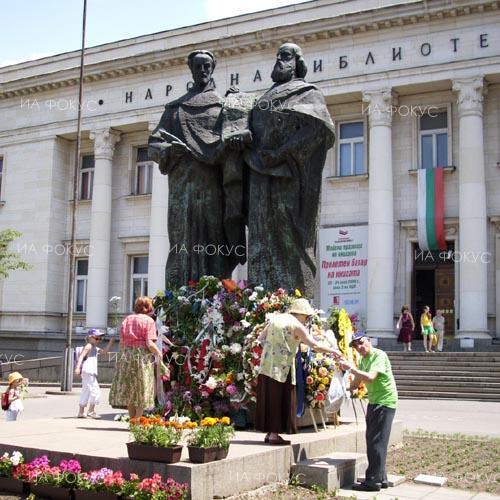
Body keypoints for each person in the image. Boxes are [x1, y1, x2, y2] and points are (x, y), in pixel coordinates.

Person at [234, 42, 335, 296]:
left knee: (287, 236)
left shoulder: (307, 93)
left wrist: (282, 152)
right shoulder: (263, 98)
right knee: (259, 237)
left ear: (297, 63)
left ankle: (294, 299)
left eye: (286, 56)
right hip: (259, 176)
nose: (279, 61)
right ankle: (260, 299)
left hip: (288, 177)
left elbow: (317, 131)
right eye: (277, 56)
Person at [148, 50, 243, 286]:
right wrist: (170, 150)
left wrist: (238, 107)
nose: (202, 70)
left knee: (215, 238)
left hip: (214, 185)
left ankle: (216, 295)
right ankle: (180, 295)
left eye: (207, 66)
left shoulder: (223, 105)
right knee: (182, 239)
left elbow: (236, 138)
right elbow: (154, 144)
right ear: (191, 69)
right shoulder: (175, 109)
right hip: (183, 186)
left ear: (213, 68)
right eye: (198, 66)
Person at [255, 298, 341, 445]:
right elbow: (314, 345)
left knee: (269, 399)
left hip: (266, 366)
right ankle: (275, 435)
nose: (307, 319)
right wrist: (333, 350)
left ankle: (270, 433)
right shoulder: (296, 325)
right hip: (282, 368)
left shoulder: (275, 319)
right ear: (301, 314)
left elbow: (260, 338)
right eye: (306, 316)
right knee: (279, 399)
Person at [338, 332, 398, 492]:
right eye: (355, 346)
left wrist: (351, 368)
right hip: (375, 402)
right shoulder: (364, 359)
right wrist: (343, 388)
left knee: (376, 443)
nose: (359, 347)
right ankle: (381, 478)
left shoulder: (378, 355)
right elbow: (358, 381)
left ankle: (372, 481)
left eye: (361, 343)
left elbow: (370, 377)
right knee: (375, 441)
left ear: (369, 341)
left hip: (384, 402)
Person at [109, 296, 163, 418]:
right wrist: (159, 353)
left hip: (126, 356)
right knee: (141, 389)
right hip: (142, 358)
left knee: (130, 389)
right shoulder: (149, 321)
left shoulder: (127, 319)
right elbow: (149, 343)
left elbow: (122, 342)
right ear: (149, 307)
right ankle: (138, 421)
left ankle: (132, 420)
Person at [74, 329, 114, 418]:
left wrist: (110, 343)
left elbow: (104, 353)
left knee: (86, 391)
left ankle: (81, 412)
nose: (99, 340)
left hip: (89, 371)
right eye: (97, 338)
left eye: (100, 339)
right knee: (96, 391)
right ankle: (91, 411)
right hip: (88, 370)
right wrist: (77, 367)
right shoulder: (88, 346)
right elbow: (81, 356)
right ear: (90, 337)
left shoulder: (95, 348)